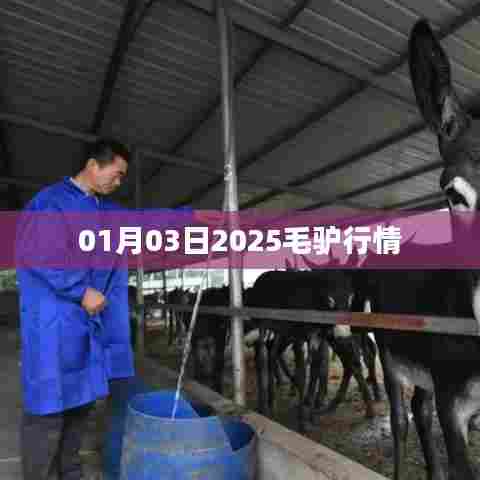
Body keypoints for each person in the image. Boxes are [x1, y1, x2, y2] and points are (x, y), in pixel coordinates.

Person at [16, 138, 134, 480]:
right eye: (117, 173)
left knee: (79, 407)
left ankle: (71, 475)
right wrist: (81, 291)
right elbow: (38, 253)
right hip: (53, 326)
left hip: (86, 328)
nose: (119, 182)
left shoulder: (100, 211)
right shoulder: (50, 202)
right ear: (94, 165)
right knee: (48, 411)